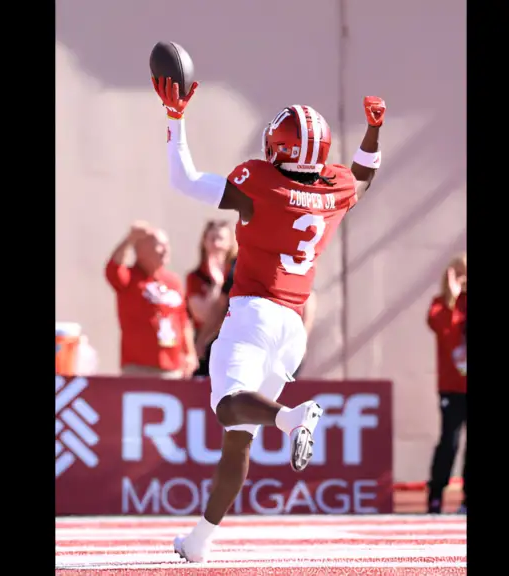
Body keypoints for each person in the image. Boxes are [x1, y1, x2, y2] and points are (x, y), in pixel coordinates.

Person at [152, 75, 385, 562]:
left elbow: (185, 180)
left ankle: (292, 415)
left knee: (230, 406)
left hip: (254, 313)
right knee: (237, 441)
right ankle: (198, 542)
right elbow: (363, 176)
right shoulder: (333, 187)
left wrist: (175, 120)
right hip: (292, 329)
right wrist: (372, 131)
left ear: (280, 148)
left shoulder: (258, 183)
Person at [105, 221, 197, 379]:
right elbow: (113, 268)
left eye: (167, 245)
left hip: (172, 367)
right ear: (140, 250)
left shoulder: (173, 281)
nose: (165, 250)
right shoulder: (129, 278)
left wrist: (190, 353)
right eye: (159, 245)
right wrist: (130, 239)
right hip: (138, 368)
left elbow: (183, 320)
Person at [425, 253, 467, 513]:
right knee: (449, 441)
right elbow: (445, 334)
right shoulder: (440, 304)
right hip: (452, 387)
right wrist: (451, 300)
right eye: (458, 274)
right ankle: (436, 495)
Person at [185, 220, 236, 377]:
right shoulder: (195, 277)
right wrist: (216, 286)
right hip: (207, 344)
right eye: (212, 238)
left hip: (233, 341)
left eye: (220, 239)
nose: (216, 244)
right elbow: (202, 314)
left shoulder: (237, 272)